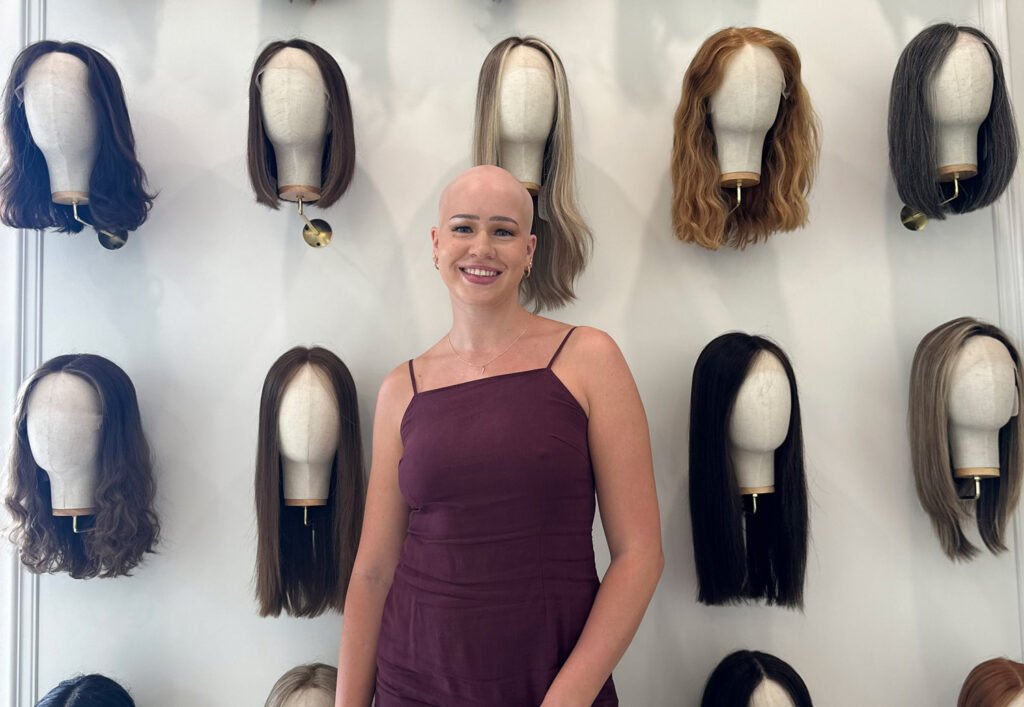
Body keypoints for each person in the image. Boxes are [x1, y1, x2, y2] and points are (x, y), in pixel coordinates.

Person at [335, 165, 663, 707]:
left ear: (529, 250)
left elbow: (640, 554)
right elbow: (372, 571)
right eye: (463, 228)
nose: (481, 247)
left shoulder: (589, 359)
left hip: (548, 688)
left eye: (503, 231)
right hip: (411, 685)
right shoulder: (402, 388)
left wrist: (567, 699)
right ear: (436, 245)